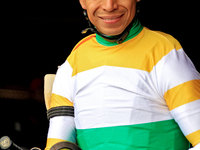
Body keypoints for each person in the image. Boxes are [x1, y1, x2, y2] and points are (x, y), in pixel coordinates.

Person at [45, 0, 200, 149]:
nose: (109, 6)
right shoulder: (71, 64)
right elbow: (57, 145)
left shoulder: (165, 54)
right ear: (82, 1)